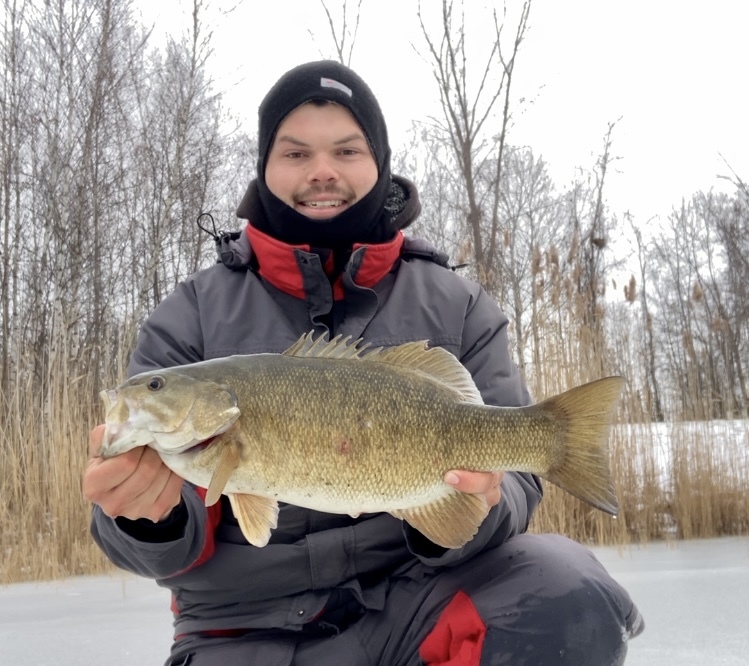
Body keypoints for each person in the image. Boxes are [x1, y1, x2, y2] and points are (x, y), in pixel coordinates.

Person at [83, 60, 644, 666]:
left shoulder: (457, 306)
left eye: (346, 151)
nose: (322, 171)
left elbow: (518, 486)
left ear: (378, 163)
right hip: (243, 633)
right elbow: (152, 547)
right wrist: (148, 520)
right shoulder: (190, 312)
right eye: (295, 154)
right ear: (265, 169)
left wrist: (481, 502)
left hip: (416, 607)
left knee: (564, 589)